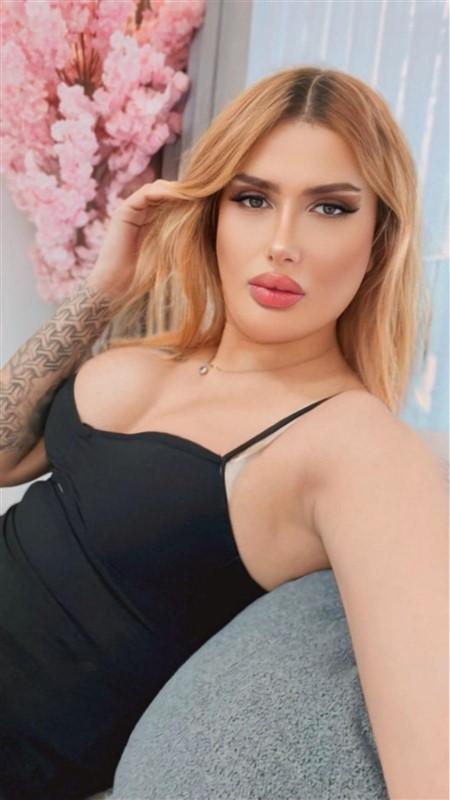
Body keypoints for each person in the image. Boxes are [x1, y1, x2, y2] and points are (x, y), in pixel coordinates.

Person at [0, 66, 447, 800]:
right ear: (210, 212)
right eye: (252, 199)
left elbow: (430, 772)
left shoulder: (360, 448)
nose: (282, 243)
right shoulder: (149, 355)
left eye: (330, 208)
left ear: (380, 237)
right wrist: (105, 291)